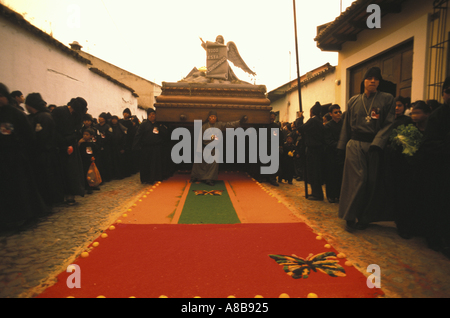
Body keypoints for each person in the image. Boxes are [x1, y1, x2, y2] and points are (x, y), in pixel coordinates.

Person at [337, 67, 396, 232]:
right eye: (369, 78)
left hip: (374, 146)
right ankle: (349, 216)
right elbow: (346, 124)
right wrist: (342, 146)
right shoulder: (353, 101)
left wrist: (378, 143)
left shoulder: (386, 99)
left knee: (371, 183)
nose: (372, 81)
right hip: (355, 144)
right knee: (358, 179)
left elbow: (389, 123)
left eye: (376, 79)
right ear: (363, 81)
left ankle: (364, 217)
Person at [0, 83, 48, 229]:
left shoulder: (16, 114)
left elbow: (29, 137)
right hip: (3, 158)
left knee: (22, 187)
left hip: (16, 157)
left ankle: (27, 215)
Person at [418, 78, 450, 257]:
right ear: (444, 93)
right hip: (440, 170)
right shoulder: (437, 116)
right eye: (448, 91)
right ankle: (436, 237)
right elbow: (429, 145)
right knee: (439, 204)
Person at [25, 92, 64, 207]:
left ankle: (49, 201)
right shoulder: (38, 117)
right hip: (42, 153)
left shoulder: (44, 117)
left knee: (47, 179)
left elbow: (43, 137)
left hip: (45, 154)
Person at [190, 110, 247, 186]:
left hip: (214, 149)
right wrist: (199, 149)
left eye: (214, 117)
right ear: (208, 118)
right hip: (204, 148)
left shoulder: (219, 125)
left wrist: (240, 122)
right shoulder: (204, 126)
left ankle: (209, 179)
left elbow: (229, 124)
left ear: (216, 118)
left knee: (214, 161)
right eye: (211, 117)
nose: (213, 118)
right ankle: (195, 177)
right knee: (198, 161)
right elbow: (200, 138)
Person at [52, 97, 88, 206]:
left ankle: (71, 194)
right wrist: (63, 142)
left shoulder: (77, 116)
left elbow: (77, 131)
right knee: (61, 171)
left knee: (72, 171)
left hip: (71, 146)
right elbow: (54, 129)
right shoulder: (59, 111)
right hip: (59, 146)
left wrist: (71, 140)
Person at [298, 102, 326, 200]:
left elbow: (301, 128)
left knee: (314, 172)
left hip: (314, 150)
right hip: (317, 149)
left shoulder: (313, 120)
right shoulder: (319, 120)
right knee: (314, 172)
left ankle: (317, 194)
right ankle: (315, 192)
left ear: (312, 112)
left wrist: (300, 118)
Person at [132, 108, 167, 184]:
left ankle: (155, 177)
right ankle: (146, 178)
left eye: (153, 114)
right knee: (146, 163)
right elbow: (138, 135)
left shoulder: (158, 124)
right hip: (146, 148)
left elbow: (164, 135)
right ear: (148, 116)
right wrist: (135, 146)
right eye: (150, 115)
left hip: (156, 147)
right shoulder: (144, 125)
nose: (152, 116)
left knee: (156, 163)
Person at [324, 104, 343, 203]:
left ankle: (339, 195)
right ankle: (331, 195)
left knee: (340, 175)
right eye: (336, 112)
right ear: (331, 114)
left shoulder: (344, 124)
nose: (338, 114)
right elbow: (328, 140)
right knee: (331, 175)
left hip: (342, 154)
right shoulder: (328, 126)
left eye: (339, 111)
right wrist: (339, 144)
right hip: (331, 154)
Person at [78, 128, 100, 194]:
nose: (85, 136)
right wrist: (79, 143)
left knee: (93, 173)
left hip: (91, 160)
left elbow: (96, 151)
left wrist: (94, 157)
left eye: (87, 134)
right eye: (84, 134)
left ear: (91, 136)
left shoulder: (92, 144)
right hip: (84, 160)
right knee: (86, 174)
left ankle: (94, 185)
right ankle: (88, 187)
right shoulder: (81, 144)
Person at [96, 112, 114, 183]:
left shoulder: (107, 127)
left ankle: (108, 176)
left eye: (101, 117)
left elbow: (110, 136)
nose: (100, 119)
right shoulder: (96, 126)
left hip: (106, 146)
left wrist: (104, 143)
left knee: (107, 162)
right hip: (98, 146)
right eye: (99, 117)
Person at [109, 115, 128, 179]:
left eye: (115, 119)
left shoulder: (120, 128)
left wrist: (123, 147)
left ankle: (120, 175)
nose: (114, 121)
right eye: (113, 119)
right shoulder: (109, 127)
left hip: (119, 147)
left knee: (119, 162)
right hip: (112, 147)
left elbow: (124, 138)